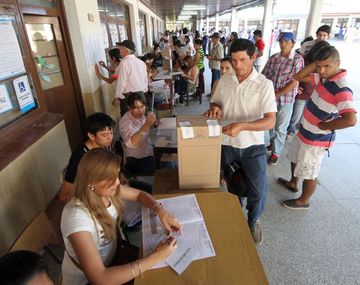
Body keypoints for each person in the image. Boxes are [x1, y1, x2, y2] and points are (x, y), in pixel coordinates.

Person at [61, 148, 181, 285]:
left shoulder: (106, 191)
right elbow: (100, 279)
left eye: (117, 174)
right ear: (90, 182)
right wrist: (156, 257)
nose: (117, 183)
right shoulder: (76, 219)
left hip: (114, 259)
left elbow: (140, 195)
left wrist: (161, 212)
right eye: (109, 179)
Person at [205, 39, 277, 244]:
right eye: (234, 60)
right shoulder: (225, 80)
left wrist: (243, 125)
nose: (237, 65)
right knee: (234, 184)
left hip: (252, 146)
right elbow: (215, 101)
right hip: (226, 143)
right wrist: (215, 107)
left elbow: (270, 119)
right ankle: (235, 216)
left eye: (242, 60)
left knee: (258, 189)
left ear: (254, 57)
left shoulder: (264, 84)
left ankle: (253, 220)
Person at [278, 46, 357, 209]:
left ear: (338, 64)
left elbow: (351, 120)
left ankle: (303, 201)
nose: (322, 70)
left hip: (317, 138)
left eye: (326, 66)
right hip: (305, 130)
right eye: (319, 66)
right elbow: (298, 76)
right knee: (295, 157)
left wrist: (323, 125)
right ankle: (293, 182)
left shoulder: (342, 89)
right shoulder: (323, 78)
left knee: (309, 171)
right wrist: (315, 65)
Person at [262, 32, 304, 165]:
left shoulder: (297, 60)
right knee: (270, 124)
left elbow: (295, 82)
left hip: (286, 100)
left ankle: (276, 152)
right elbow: (265, 75)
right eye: (281, 41)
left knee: (281, 127)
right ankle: (273, 143)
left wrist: (277, 94)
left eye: (286, 41)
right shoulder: (274, 58)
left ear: (293, 43)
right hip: (271, 99)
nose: (283, 43)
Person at [58, 112, 116, 203]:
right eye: (105, 135)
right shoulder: (81, 157)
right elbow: (65, 192)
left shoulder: (103, 146)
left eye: (111, 133)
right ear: (91, 136)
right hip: (89, 197)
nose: (110, 138)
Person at [287, 40, 330, 139]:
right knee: (296, 115)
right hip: (303, 91)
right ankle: (291, 130)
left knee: (306, 114)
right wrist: (296, 86)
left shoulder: (325, 66)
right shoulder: (305, 59)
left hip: (314, 94)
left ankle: (298, 129)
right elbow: (296, 75)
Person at [119, 92, 157, 174]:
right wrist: (146, 125)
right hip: (137, 158)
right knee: (167, 168)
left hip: (148, 149)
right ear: (129, 108)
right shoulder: (126, 123)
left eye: (142, 106)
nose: (140, 110)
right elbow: (132, 144)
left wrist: (153, 124)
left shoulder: (141, 115)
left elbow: (146, 131)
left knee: (168, 158)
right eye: (136, 108)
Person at [113, 40, 148, 116]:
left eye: (120, 48)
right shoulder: (141, 62)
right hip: (141, 95)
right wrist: (143, 92)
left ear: (126, 50)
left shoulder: (124, 63)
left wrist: (116, 97)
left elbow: (121, 82)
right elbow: (145, 80)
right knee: (141, 119)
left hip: (129, 98)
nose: (119, 50)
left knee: (128, 121)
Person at [206, 32, 224, 97]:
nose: (212, 40)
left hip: (217, 67)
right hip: (213, 66)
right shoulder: (214, 45)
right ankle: (212, 93)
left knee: (215, 81)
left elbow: (221, 58)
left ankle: (214, 95)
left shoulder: (219, 46)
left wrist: (211, 58)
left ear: (217, 39)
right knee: (213, 81)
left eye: (213, 38)